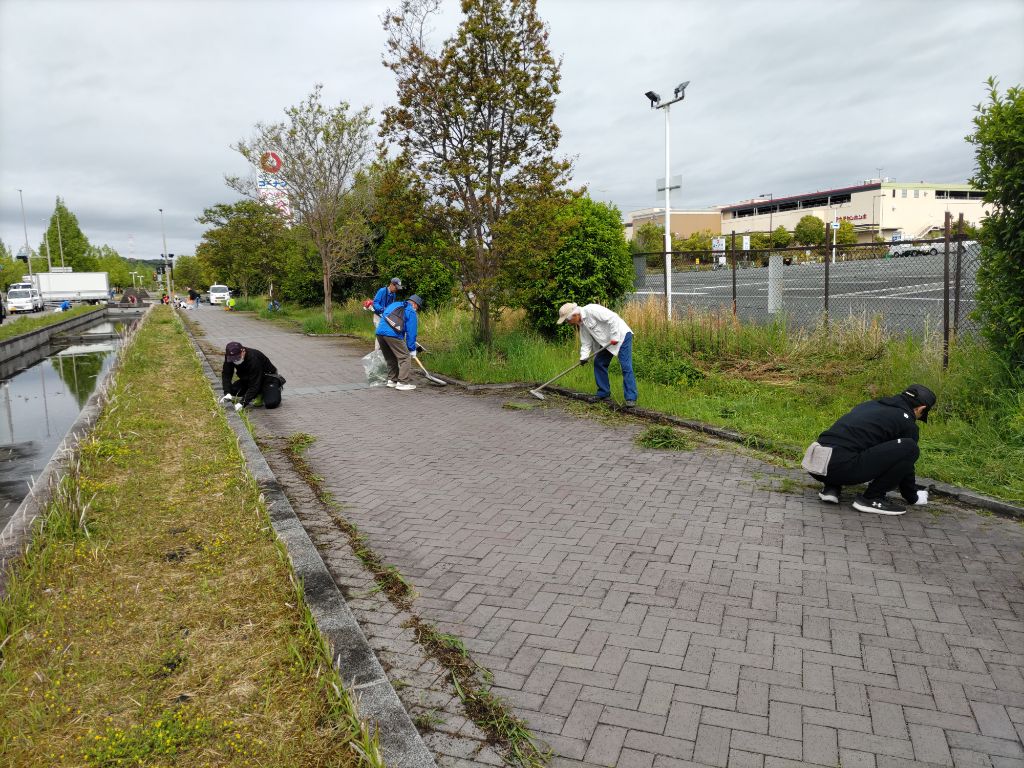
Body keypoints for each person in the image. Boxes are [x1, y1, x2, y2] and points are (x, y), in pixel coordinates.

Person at [803, 384, 937, 515]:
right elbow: (905, 462)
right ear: (921, 409)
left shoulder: (870, 405)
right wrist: (913, 496)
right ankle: (873, 498)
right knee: (910, 448)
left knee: (854, 443)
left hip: (816, 462)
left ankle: (832, 487)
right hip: (840, 467)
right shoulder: (908, 424)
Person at [556, 302, 638, 408]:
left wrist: (614, 336)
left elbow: (612, 318)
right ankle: (603, 393)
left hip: (622, 336)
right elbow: (586, 343)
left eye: (567, 320)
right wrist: (584, 357)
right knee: (599, 363)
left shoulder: (591, 310)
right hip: (607, 343)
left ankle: (631, 398)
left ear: (574, 315)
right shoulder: (582, 324)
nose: (568, 323)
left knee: (625, 366)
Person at [375, 294, 423, 391]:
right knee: (405, 357)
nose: (416, 309)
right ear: (415, 304)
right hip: (392, 335)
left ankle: (392, 380)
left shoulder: (395, 304)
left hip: (379, 333)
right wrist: (412, 349)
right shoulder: (411, 311)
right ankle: (402, 382)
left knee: (391, 357)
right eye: (417, 307)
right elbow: (411, 333)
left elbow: (385, 316)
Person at [220, 342, 284, 410]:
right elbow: (226, 374)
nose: (235, 361)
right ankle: (257, 394)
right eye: (233, 359)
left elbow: (255, 384)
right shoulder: (229, 357)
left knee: (271, 403)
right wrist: (227, 393)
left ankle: (271, 389)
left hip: (267, 379)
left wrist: (242, 403)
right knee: (232, 390)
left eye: (238, 358)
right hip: (249, 379)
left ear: (243, 351)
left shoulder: (253, 359)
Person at [371, 277, 402, 350]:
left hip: (385, 317)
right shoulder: (382, 291)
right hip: (378, 316)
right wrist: (381, 309)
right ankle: (376, 351)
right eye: (396, 287)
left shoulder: (393, 294)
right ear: (391, 284)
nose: (396, 290)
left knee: (386, 333)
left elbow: (391, 306)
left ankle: (384, 351)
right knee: (380, 333)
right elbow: (375, 303)